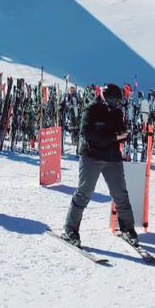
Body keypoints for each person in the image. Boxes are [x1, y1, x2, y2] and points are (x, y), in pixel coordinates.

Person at [62, 83, 139, 248]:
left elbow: (123, 133)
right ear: (108, 99)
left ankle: (127, 228)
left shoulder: (116, 112)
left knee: (120, 194)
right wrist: (111, 137)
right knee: (84, 193)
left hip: (112, 158)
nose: (118, 105)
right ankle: (70, 228)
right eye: (116, 101)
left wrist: (110, 135)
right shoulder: (91, 109)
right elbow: (90, 135)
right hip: (91, 156)